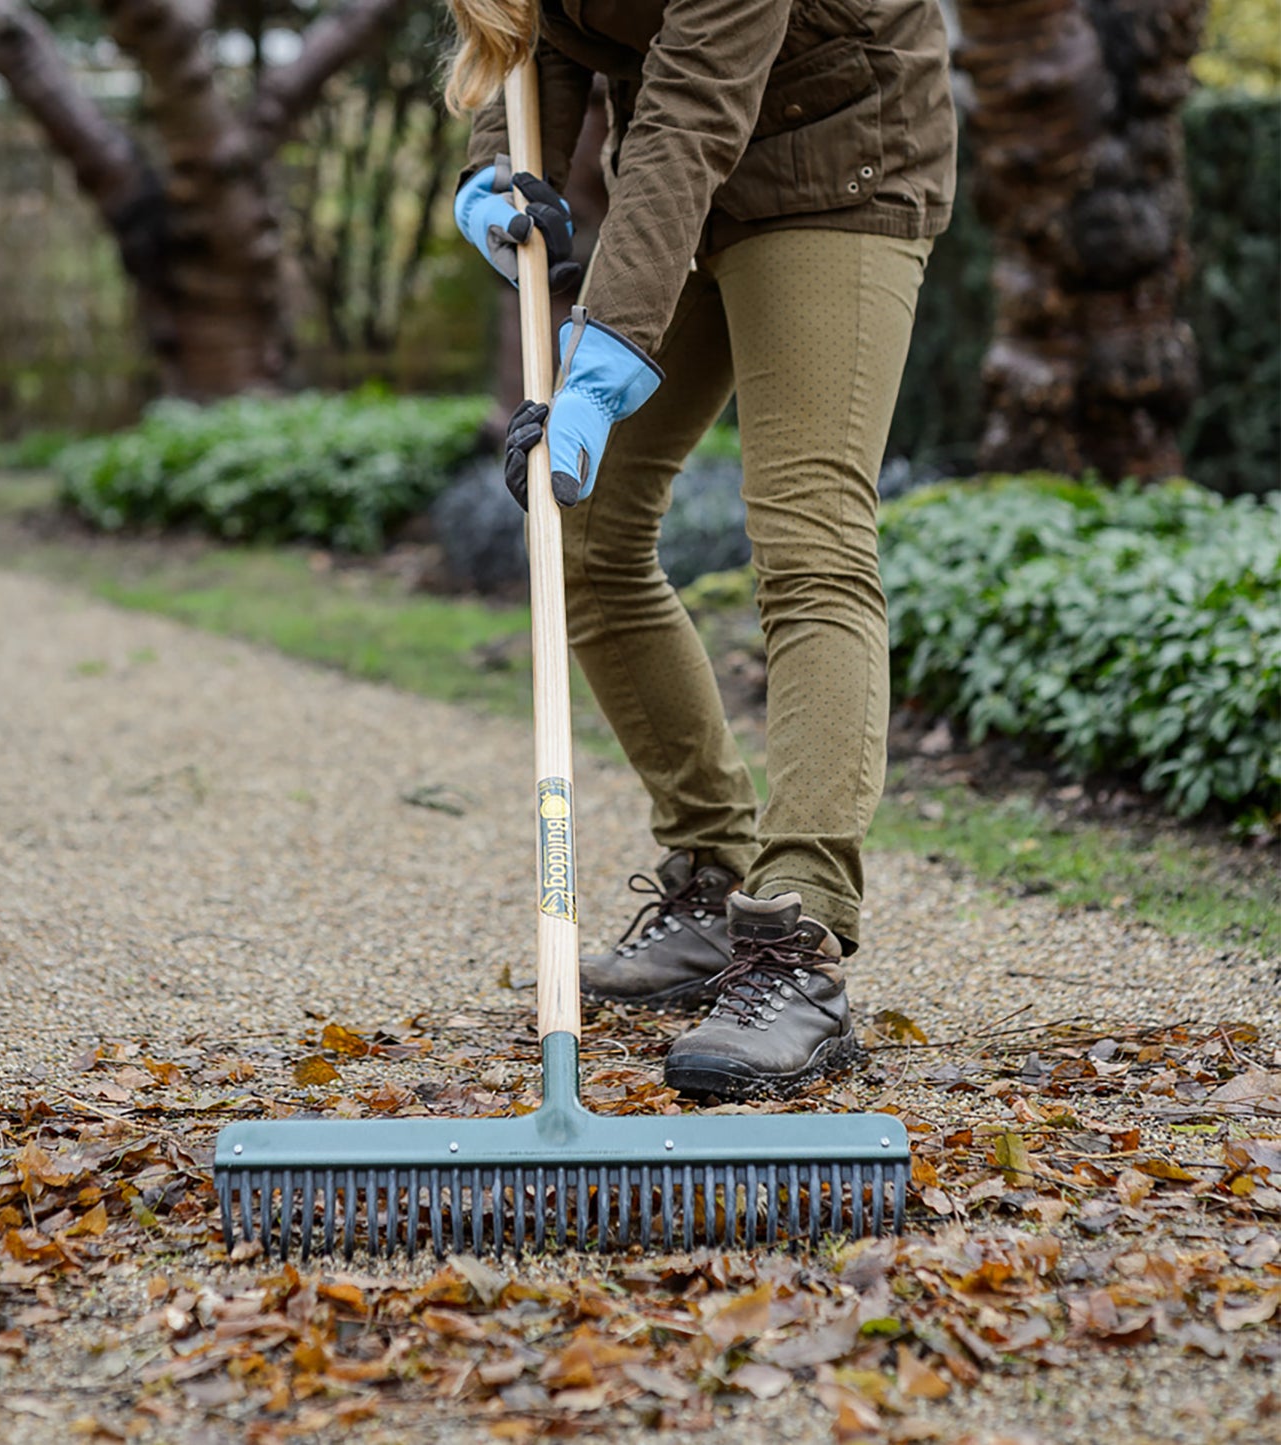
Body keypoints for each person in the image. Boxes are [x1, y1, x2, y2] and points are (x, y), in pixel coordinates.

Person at [448, 0, 956, 1102]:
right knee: (575, 520)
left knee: (808, 536)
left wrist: (611, 345)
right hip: (686, 189)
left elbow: (689, 108)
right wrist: (494, 177)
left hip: (839, 162)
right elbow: (534, 51)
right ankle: (710, 865)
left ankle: (798, 942)